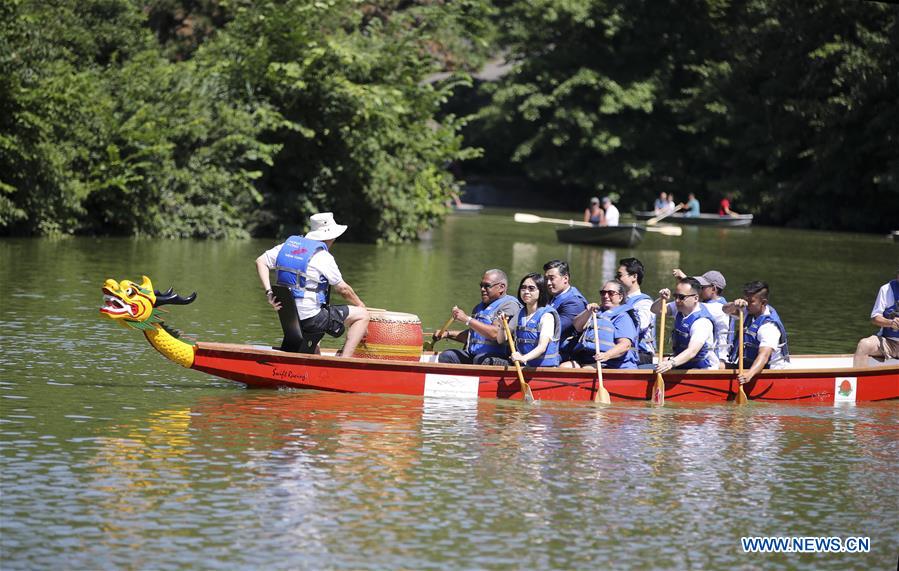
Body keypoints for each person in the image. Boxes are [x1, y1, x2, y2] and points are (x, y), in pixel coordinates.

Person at [255, 212, 369, 357]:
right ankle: (345, 361)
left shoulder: (286, 247)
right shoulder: (323, 257)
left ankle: (313, 361)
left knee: (315, 340)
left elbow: (260, 261)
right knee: (362, 316)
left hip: (289, 317)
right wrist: (361, 305)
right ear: (330, 237)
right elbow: (343, 289)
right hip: (310, 318)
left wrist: (269, 293)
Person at [435, 269, 522, 365]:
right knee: (447, 356)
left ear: (501, 287)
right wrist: (447, 334)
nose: (482, 289)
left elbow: (495, 333)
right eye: (481, 286)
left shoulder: (510, 306)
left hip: (500, 357)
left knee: (481, 360)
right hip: (476, 356)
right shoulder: (478, 308)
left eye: (487, 286)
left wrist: (467, 319)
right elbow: (473, 336)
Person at [562, 280, 639, 369]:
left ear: (620, 297)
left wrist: (606, 355)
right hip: (588, 359)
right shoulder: (596, 312)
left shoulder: (622, 317)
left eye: (611, 293)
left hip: (612, 363)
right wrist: (588, 311)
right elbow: (577, 326)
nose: (606, 296)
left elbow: (625, 345)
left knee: (587, 369)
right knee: (564, 367)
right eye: (603, 293)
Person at [724, 281, 790, 384]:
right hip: (748, 365)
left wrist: (749, 375)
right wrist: (734, 305)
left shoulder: (769, 327)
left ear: (763, 303)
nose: (746, 304)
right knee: (718, 365)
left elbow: (764, 356)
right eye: (745, 300)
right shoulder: (747, 311)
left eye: (751, 301)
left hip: (769, 371)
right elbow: (725, 310)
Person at [652, 277, 719, 373]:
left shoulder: (702, 322)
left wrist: (670, 363)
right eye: (675, 296)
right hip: (682, 365)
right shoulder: (679, 307)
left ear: (696, 298)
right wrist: (662, 299)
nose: (677, 300)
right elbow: (655, 310)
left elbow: (692, 351)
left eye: (681, 297)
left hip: (702, 370)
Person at [496, 273, 562, 367]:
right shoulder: (520, 314)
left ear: (541, 291)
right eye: (523, 288)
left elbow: (542, 347)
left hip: (544, 369)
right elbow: (501, 340)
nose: (526, 292)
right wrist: (502, 326)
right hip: (524, 366)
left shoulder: (547, 316)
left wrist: (523, 358)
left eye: (531, 288)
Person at [672, 268, 731, 368]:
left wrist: (685, 280)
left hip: (718, 358)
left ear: (713, 289)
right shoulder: (705, 304)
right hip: (702, 354)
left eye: (701, 287)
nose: (698, 289)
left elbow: (692, 300)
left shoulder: (717, 307)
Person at [543, 260, 589, 361]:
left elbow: (555, 329)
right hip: (547, 348)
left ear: (565, 278)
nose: (548, 283)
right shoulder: (552, 295)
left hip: (563, 354)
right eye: (546, 279)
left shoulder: (574, 302)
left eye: (552, 278)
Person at [853, 269, 899, 367]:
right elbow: (875, 318)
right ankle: (859, 376)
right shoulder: (886, 289)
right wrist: (890, 323)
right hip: (889, 342)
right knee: (864, 345)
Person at [616, 257, 656, 365]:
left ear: (634, 277)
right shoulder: (616, 301)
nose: (616, 279)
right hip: (621, 349)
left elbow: (639, 326)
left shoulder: (645, 303)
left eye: (619, 275)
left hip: (641, 354)